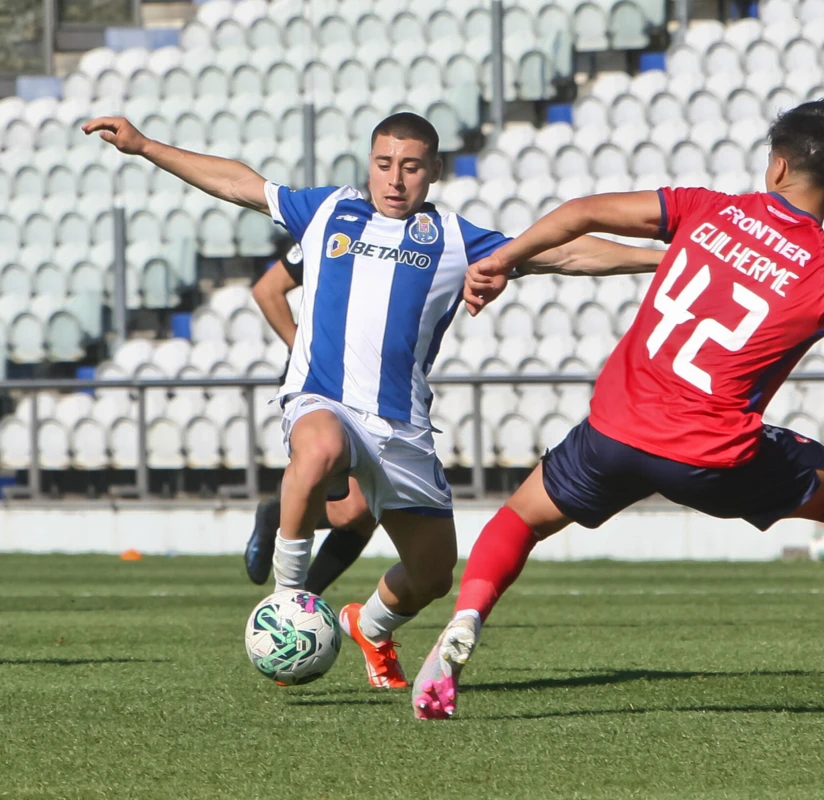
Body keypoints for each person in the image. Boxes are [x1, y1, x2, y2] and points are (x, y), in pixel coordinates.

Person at [408, 99, 824, 722]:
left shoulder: (706, 209)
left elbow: (583, 210)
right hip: (708, 456)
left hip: (614, 430)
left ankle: (463, 623)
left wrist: (505, 259)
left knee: (520, 517)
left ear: (778, 164)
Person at [84, 111, 661, 690]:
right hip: (321, 400)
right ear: (369, 163)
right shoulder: (330, 210)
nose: (394, 179)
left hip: (401, 428)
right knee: (319, 449)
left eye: (410, 167)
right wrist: (145, 146)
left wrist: (665, 257)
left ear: (433, 170)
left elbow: (565, 254)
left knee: (433, 575)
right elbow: (240, 183)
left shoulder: (455, 239)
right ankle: (290, 598)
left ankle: (371, 624)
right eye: (384, 164)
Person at [242, 236, 378, 593]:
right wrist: (303, 350)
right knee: (358, 506)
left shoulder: (414, 242)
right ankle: (299, 598)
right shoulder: (335, 229)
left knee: (370, 508)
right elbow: (267, 290)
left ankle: (303, 598)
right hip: (324, 381)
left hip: (374, 383)